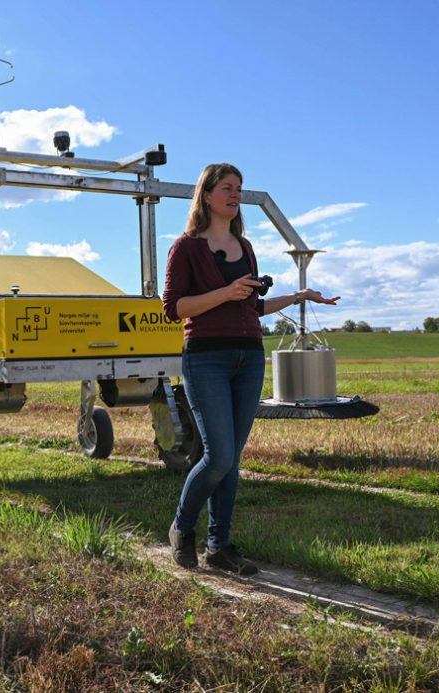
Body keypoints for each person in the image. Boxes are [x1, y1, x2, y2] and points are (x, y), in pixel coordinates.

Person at [161, 163, 339, 574]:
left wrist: (299, 296)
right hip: (206, 357)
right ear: (206, 195)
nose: (235, 195)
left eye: (239, 189)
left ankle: (218, 546)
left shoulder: (245, 246)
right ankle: (181, 527)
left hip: (248, 356)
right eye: (227, 188)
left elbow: (253, 306)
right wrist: (225, 292)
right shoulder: (185, 247)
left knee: (231, 459)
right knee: (218, 456)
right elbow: (174, 309)